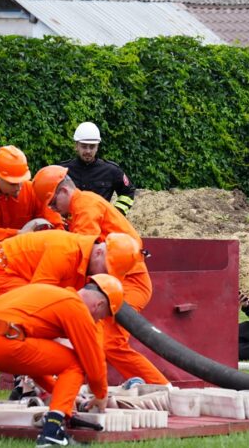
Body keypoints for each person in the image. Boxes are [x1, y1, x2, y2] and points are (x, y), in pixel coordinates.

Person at [0, 275, 124, 446]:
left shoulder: (49, 296)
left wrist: (61, 393)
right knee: (75, 363)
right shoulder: (75, 306)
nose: (99, 320)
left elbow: (31, 364)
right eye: (102, 316)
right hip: (2, 340)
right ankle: (52, 431)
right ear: (99, 305)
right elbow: (92, 359)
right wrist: (101, 394)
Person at [33, 164, 168, 385]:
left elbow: (82, 250)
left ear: (65, 191)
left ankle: (162, 388)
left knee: (110, 343)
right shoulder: (80, 207)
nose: (54, 209)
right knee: (95, 336)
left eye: (53, 203)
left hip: (129, 281)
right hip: (117, 280)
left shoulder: (85, 205)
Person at [0, 229, 140, 296]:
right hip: (0, 268)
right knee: (33, 312)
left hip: (17, 274)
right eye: (106, 270)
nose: (103, 277)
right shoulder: (66, 252)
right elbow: (38, 295)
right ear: (98, 252)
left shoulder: (84, 259)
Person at [58, 122, 136, 216]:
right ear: (76, 146)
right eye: (84, 146)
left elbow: (128, 192)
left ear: (97, 147)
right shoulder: (62, 170)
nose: (88, 151)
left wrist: (115, 214)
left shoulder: (111, 171)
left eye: (92, 146)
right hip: (69, 228)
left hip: (100, 227)